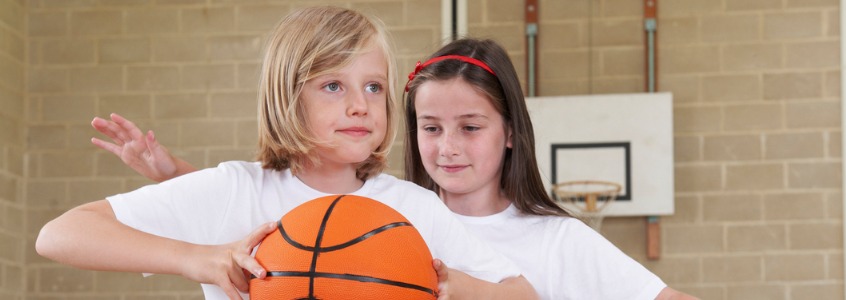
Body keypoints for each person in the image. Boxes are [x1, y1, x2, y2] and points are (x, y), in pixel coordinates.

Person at [86, 38, 695, 299]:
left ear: (512, 132)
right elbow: (292, 233)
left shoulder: (557, 241)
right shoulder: (392, 209)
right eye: (431, 128)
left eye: (471, 127)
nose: (448, 147)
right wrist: (176, 178)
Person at [35, 7, 538, 300]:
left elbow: (523, 293)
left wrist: (458, 286)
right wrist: (197, 260)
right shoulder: (234, 189)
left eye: (373, 86)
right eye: (334, 86)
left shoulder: (414, 207)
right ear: (286, 95)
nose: (360, 105)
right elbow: (59, 235)